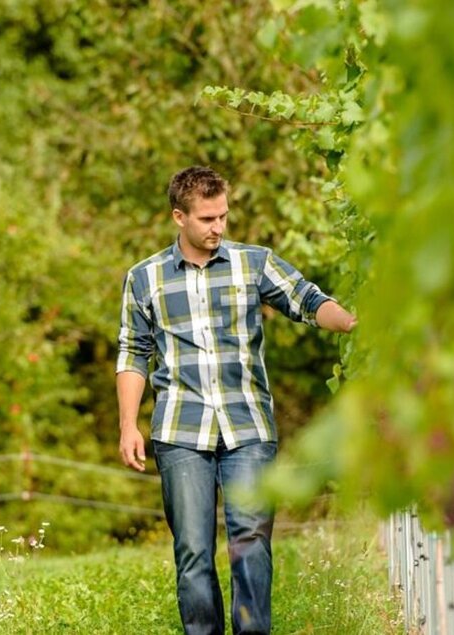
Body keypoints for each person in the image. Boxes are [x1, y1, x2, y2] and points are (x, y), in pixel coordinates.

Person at [116, 166, 356, 635]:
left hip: (247, 426)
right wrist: (128, 424)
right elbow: (132, 352)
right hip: (180, 431)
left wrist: (348, 322)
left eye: (223, 215)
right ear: (178, 217)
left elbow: (306, 299)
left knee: (250, 540)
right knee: (193, 550)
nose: (218, 227)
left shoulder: (254, 263)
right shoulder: (145, 278)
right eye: (207, 218)